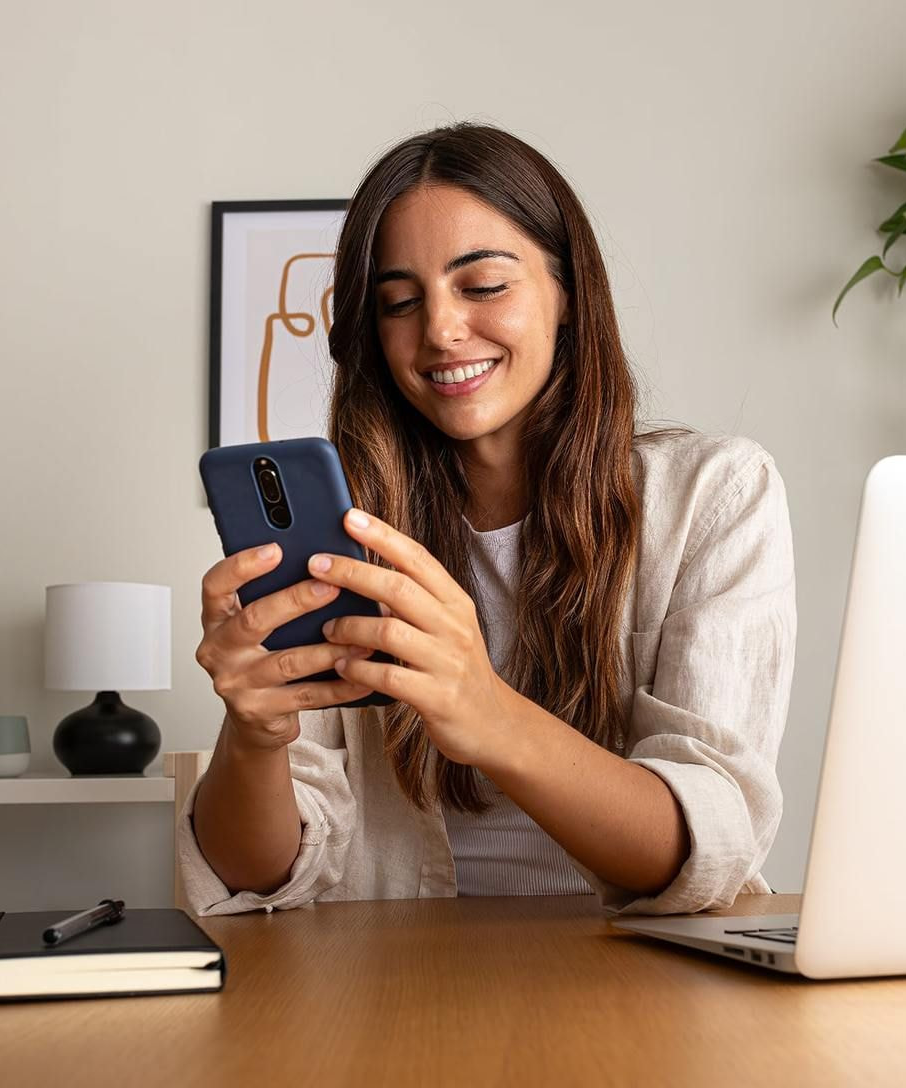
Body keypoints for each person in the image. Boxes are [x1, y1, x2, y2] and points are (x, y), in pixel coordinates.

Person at [181, 123, 797, 917]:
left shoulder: (713, 495)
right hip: (396, 981)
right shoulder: (348, 534)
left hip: (635, 975)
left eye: (482, 286)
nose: (439, 330)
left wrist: (484, 710)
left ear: (567, 292)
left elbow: (707, 845)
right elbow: (255, 878)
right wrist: (255, 736)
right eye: (400, 302)